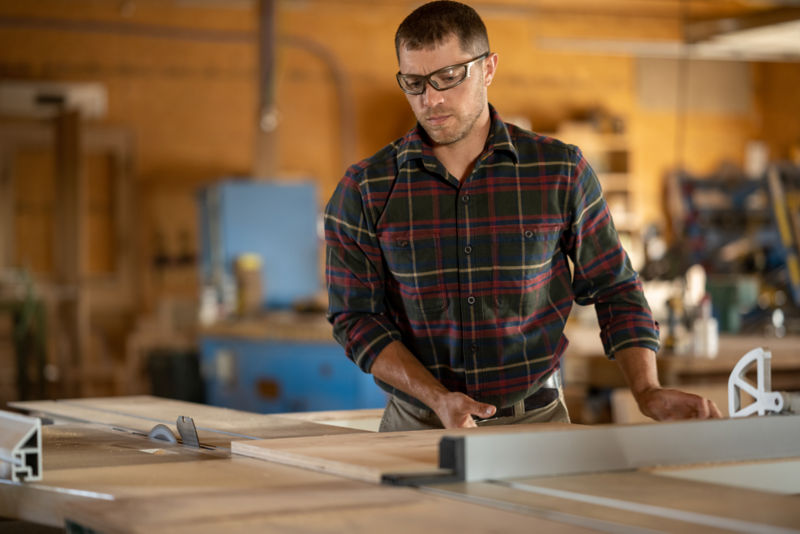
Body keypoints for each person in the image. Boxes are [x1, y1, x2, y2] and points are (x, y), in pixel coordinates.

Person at [324, 0, 722, 431]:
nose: (431, 99)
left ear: (489, 68)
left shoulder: (559, 171)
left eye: (449, 78)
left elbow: (614, 288)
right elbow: (355, 317)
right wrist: (437, 398)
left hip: (537, 421)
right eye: (415, 82)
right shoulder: (366, 188)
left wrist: (647, 390)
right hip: (419, 423)